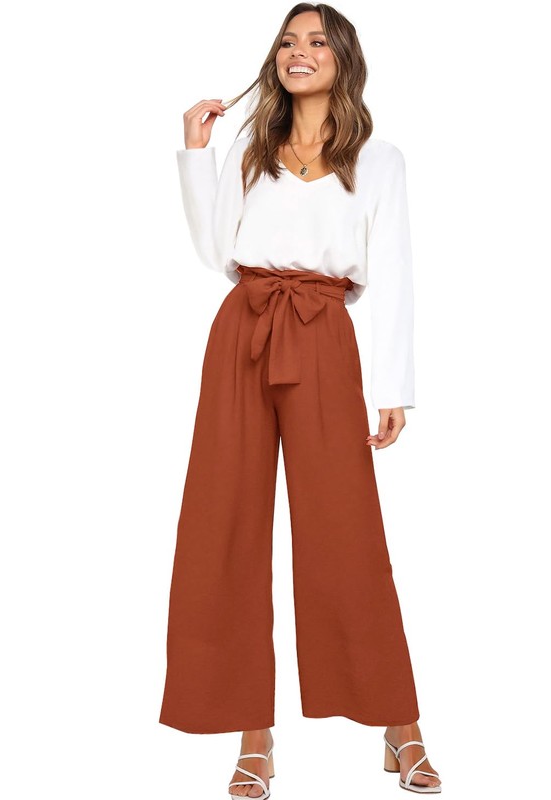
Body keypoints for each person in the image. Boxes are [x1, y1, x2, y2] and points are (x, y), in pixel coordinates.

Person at [157, 3, 442, 796]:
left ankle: (399, 723)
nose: (298, 51)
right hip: (242, 330)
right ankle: (252, 733)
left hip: (321, 336)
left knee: (345, 532)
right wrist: (197, 155)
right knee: (224, 526)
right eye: (288, 41)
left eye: (316, 40)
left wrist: (393, 386)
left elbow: (395, 268)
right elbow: (217, 251)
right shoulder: (252, 148)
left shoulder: (379, 160)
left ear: (343, 58)